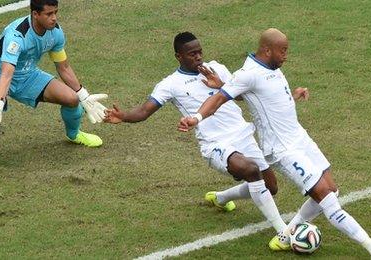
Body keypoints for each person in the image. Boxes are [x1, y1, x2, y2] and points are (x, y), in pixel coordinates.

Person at [177, 28, 371, 259]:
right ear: (267, 49)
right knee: (327, 198)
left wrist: (293, 94)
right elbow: (219, 98)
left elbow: (264, 97)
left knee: (332, 189)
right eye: (283, 51)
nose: (286, 56)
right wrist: (196, 118)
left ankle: (286, 235)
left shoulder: (272, 67)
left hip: (301, 138)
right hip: (282, 149)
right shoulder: (248, 73)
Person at [104, 32, 289, 238]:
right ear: (179, 56)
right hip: (215, 143)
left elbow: (244, 96)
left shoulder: (217, 69)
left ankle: (221, 198)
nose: (198, 57)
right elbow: (144, 111)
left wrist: (221, 84)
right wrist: (124, 116)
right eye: (192, 54)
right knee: (250, 170)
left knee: (270, 187)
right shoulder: (171, 84)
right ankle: (284, 231)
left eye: (200, 52)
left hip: (243, 135)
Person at [0, 0, 107, 146]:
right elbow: (6, 74)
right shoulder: (17, 36)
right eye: (49, 14)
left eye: (55, 12)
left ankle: (74, 134)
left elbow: (64, 67)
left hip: (28, 75)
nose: (54, 18)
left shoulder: (56, 33)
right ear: (35, 14)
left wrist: (83, 96)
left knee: (72, 99)